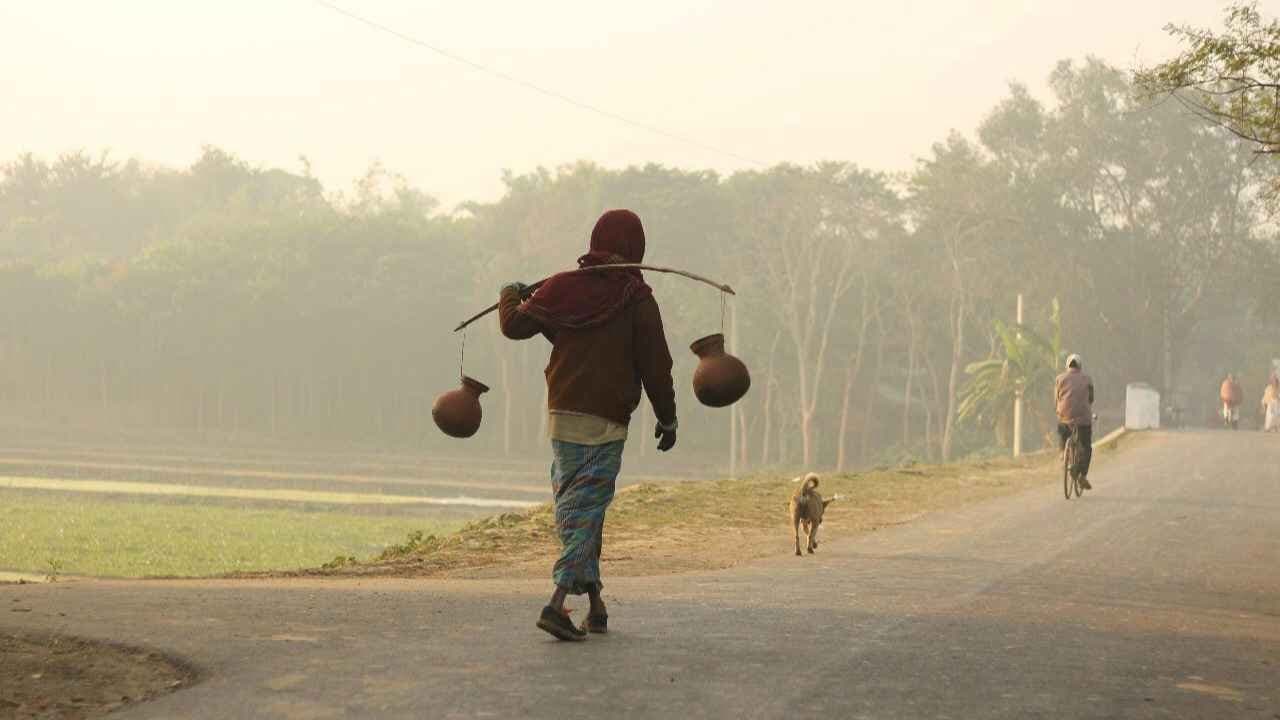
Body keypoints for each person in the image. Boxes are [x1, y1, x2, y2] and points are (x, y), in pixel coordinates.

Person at [498, 209, 677, 642]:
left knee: (578, 511)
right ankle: (557, 603)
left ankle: (596, 607)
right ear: (637, 249)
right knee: (586, 511)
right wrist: (667, 417)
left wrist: (511, 294)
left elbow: (513, 325)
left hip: (563, 414)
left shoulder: (563, 288)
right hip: (607, 423)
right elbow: (657, 367)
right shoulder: (637, 300)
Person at [1055, 354, 1095, 490]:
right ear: (1080, 366)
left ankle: (1062, 454)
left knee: (1062, 431)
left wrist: (1060, 410)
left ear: (1067, 366)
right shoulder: (1087, 379)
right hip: (1083, 419)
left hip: (1065, 417)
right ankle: (1081, 475)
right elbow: (1091, 399)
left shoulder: (1059, 379)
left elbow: (1057, 399)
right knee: (1086, 447)